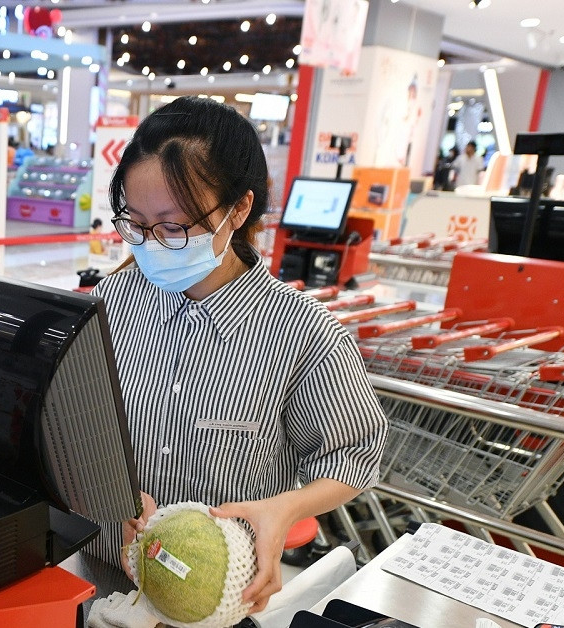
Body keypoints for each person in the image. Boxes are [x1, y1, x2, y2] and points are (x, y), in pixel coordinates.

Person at [88, 96, 387, 613]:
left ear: (239, 209)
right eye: (135, 224)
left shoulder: (303, 335)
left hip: (212, 600)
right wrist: (104, 487)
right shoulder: (111, 302)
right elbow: (80, 418)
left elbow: (354, 454)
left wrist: (285, 508)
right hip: (99, 571)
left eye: (174, 226)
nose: (151, 243)